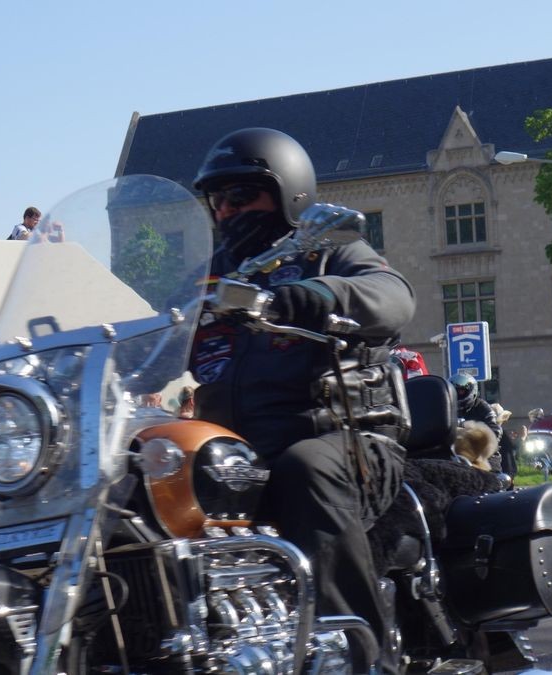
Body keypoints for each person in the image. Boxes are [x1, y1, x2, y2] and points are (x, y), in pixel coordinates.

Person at [190, 127, 415, 672]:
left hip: (347, 444)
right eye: (217, 200)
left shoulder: (327, 250)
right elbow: (151, 337)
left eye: (241, 196)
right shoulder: (210, 277)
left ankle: (362, 661)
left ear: (288, 192)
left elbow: (393, 298)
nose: (225, 211)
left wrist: (323, 294)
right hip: (240, 458)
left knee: (305, 470)